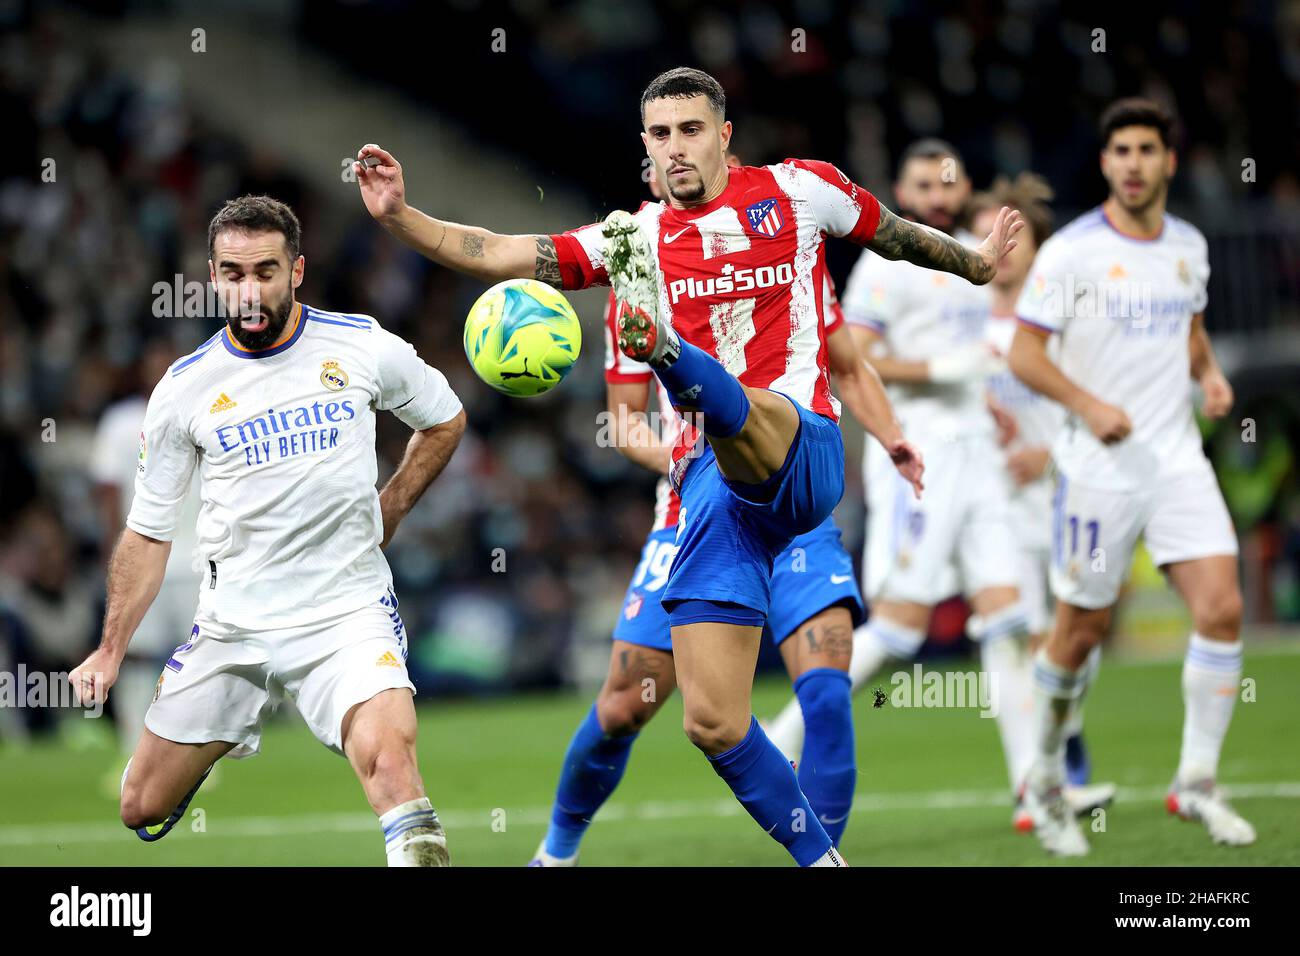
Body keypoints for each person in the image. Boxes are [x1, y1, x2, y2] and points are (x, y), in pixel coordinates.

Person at [356, 67, 1016, 867]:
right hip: (708, 495)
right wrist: (399, 217)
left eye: (691, 130)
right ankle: (822, 862)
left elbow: (899, 236)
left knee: (824, 672)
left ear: (724, 134)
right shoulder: (632, 243)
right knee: (710, 720)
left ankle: (670, 353)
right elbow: (499, 249)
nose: (676, 148)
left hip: (798, 453)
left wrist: (979, 266)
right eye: (661, 135)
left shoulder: (801, 192)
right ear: (645, 146)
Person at [530, 157, 922, 866]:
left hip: (789, 508)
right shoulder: (635, 290)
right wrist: (685, 461)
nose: (674, 171)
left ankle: (823, 855)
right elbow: (624, 424)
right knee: (626, 702)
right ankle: (555, 855)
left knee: (827, 688)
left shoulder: (789, 259)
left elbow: (849, 363)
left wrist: (892, 438)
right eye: (655, 157)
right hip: (692, 518)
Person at [69, 195, 467, 866]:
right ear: (213, 275)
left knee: (392, 767)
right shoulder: (183, 389)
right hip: (233, 623)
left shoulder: (360, 344)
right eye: (233, 273)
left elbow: (444, 416)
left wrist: (390, 508)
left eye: (265, 271)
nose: (249, 290)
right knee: (140, 805)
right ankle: (220, 727)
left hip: (346, 611)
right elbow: (146, 532)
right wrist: (109, 652)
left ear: (297, 270)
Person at [766, 140, 1039, 819]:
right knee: (897, 627)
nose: (937, 195)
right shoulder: (888, 271)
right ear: (902, 190)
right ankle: (781, 735)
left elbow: (972, 355)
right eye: (922, 183)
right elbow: (861, 358)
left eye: (948, 181)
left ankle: (1036, 785)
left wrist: (988, 401)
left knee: (1007, 617)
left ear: (965, 184)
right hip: (919, 450)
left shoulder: (968, 260)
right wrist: (946, 374)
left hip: (976, 451)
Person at [1009, 98, 1252, 855]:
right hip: (1097, 469)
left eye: (1148, 149)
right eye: (1121, 151)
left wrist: (1208, 376)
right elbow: (1024, 354)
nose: (1134, 163)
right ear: (1107, 163)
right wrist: (1087, 403)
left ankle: (1198, 782)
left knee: (1221, 608)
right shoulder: (1073, 253)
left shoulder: (1189, 245)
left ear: (1169, 161)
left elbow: (1191, 326)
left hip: (1177, 460)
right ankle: (1045, 781)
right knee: (1079, 635)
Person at [972, 174, 1116, 829]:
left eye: (1014, 234)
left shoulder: (1062, 324)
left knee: (1073, 642)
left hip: (1065, 497)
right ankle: (1033, 783)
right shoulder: (959, 322)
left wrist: (1048, 456)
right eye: (988, 236)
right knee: (1011, 640)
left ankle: (1065, 739)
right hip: (990, 510)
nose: (1000, 248)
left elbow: (1103, 405)